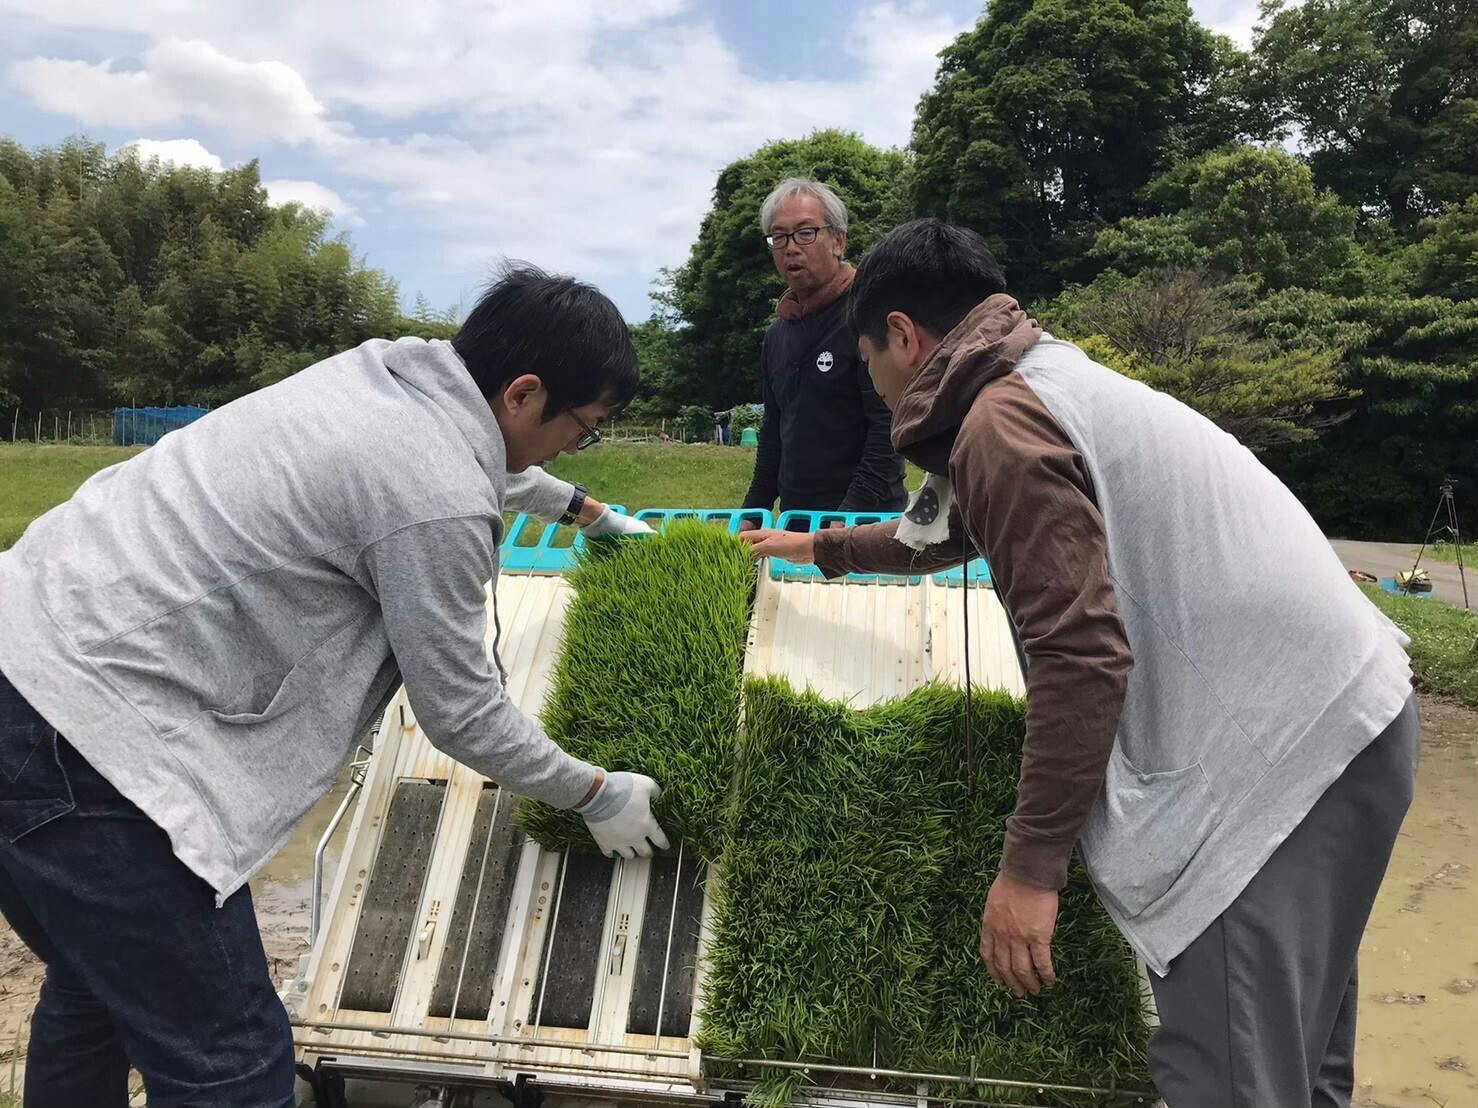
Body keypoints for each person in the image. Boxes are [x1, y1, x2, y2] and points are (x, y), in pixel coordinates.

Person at [741, 220, 1417, 1108]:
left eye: (869, 362)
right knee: (1294, 1062)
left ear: (902, 336)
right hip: (1349, 716)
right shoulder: (1040, 377)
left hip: (1275, 760)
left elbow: (1079, 655)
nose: (876, 381)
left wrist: (1030, 871)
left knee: (1231, 1076)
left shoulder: (1002, 421)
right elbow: (938, 530)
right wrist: (818, 546)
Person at [0, 264, 669, 1108]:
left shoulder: (385, 375)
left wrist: (586, 510)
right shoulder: (436, 501)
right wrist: (595, 792)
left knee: (97, 988)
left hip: (20, 654)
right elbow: (460, 710)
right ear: (525, 394)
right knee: (232, 1061)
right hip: (91, 744)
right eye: (587, 427)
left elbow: (479, 452)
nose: (580, 444)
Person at [739, 177, 906, 530]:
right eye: (778, 237)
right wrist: (752, 513)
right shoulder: (776, 336)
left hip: (866, 524)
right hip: (796, 521)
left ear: (838, 241)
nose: (790, 248)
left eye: (805, 233)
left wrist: (845, 518)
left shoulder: (870, 317)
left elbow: (888, 428)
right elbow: (773, 433)